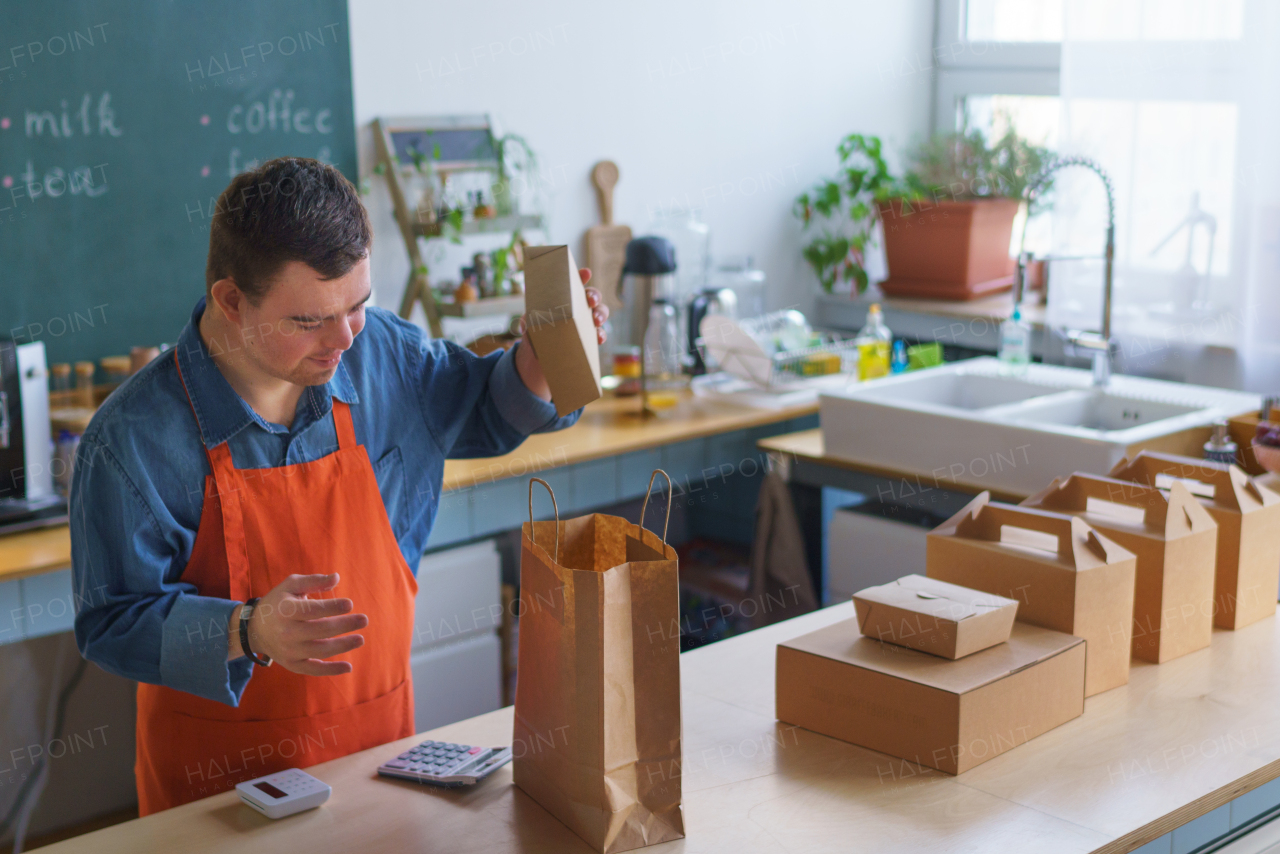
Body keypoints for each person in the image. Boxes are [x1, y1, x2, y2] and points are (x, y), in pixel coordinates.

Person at [69, 157, 608, 814]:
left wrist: (544, 359)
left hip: (379, 771)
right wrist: (248, 630)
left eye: (357, 305)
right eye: (309, 321)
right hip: (218, 803)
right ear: (232, 302)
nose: (343, 338)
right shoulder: (133, 440)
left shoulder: (385, 356)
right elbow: (111, 622)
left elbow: (490, 410)